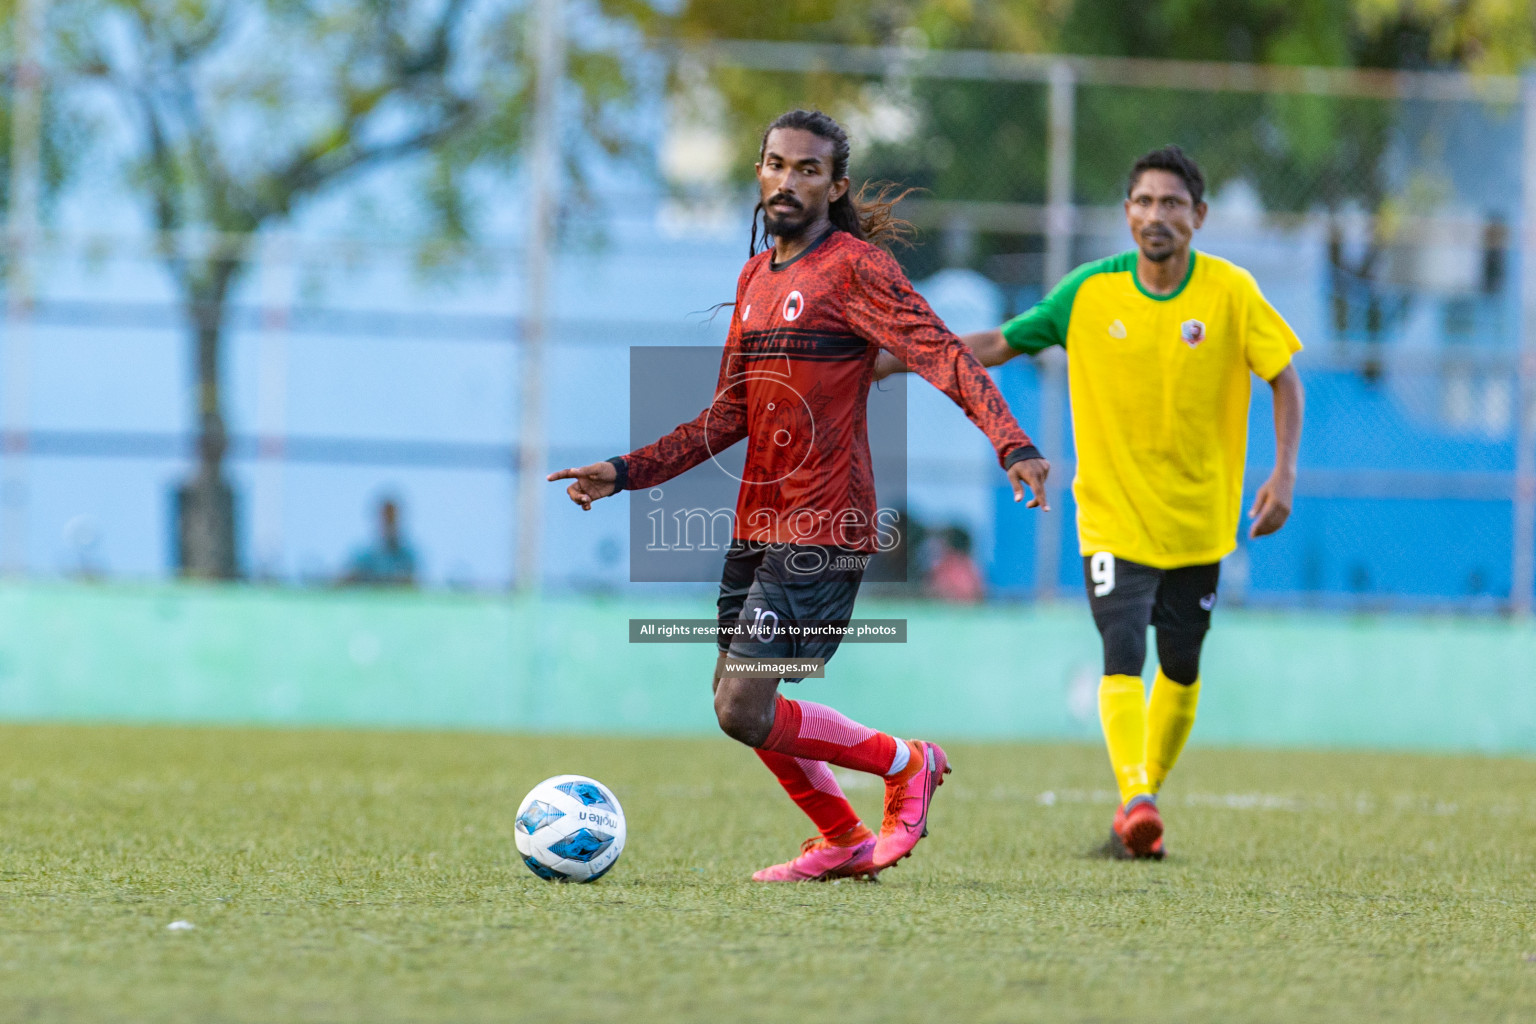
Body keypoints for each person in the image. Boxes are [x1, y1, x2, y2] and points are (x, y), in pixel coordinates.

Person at [549, 109, 1050, 882]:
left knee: (741, 707)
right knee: (736, 703)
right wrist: (623, 472)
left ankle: (906, 762)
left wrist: (1011, 443)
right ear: (759, 172)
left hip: (826, 526)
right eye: (777, 164)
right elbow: (727, 416)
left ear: (835, 185)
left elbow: (944, 355)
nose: (789, 180)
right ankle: (843, 837)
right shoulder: (753, 278)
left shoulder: (855, 269)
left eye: (808, 169)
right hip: (759, 523)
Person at [877, 145, 1305, 859]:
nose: (1156, 215)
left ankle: (1137, 806)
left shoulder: (1231, 293)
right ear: (1127, 213)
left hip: (1200, 518)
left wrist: (1284, 473)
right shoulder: (1088, 292)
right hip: (1111, 513)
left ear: (1198, 216)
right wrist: (902, 355)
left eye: (1172, 203)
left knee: (1181, 665)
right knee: (1122, 650)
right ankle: (1136, 795)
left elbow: (1284, 378)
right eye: (1143, 202)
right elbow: (1001, 342)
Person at [340, 496, 418, 586]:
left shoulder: (408, 556)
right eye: (386, 520)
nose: (389, 525)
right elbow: (347, 578)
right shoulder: (365, 556)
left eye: (392, 519)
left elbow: (414, 585)